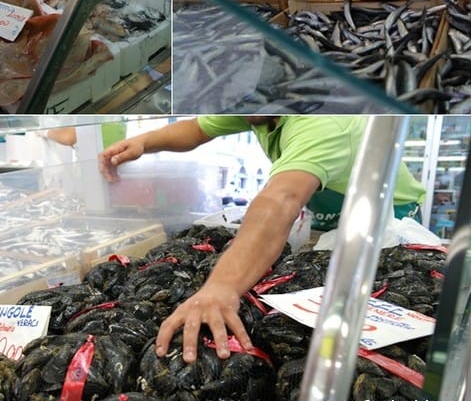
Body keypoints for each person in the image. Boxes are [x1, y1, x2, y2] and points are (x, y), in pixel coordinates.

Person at [98, 116, 426, 362]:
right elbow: (197, 129)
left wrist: (221, 287)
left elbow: (281, 200)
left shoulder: (323, 122)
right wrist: (143, 142)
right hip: (331, 209)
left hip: (387, 219)